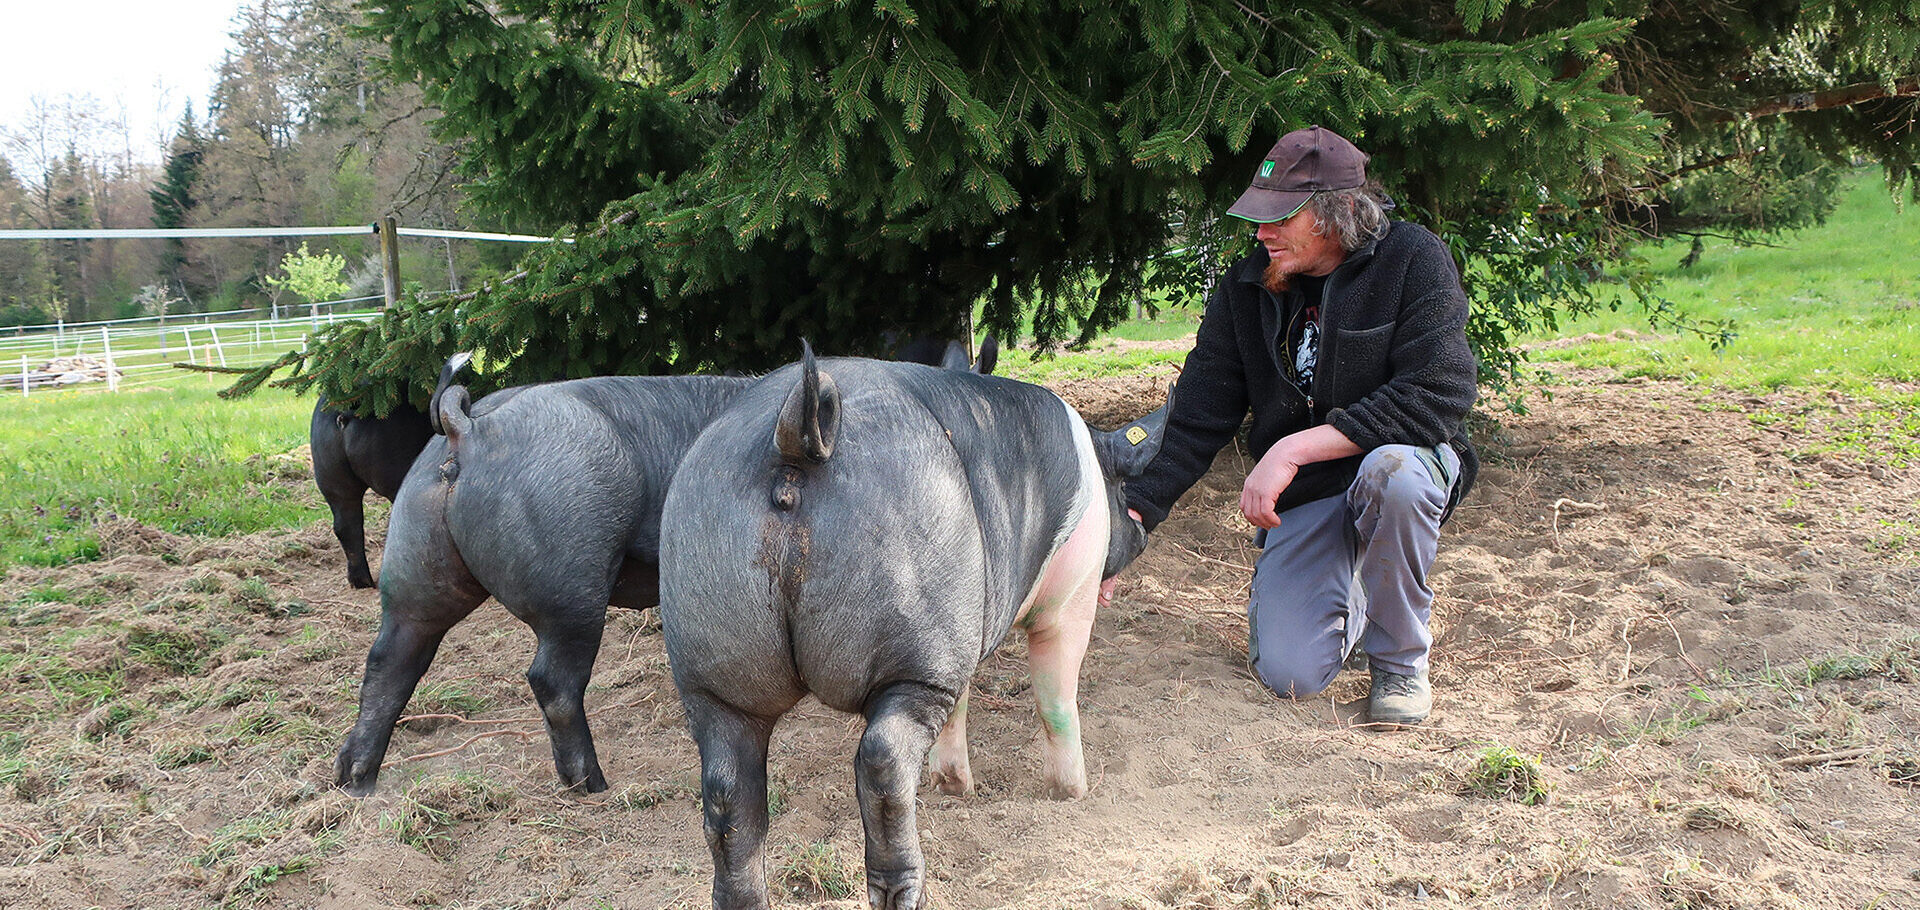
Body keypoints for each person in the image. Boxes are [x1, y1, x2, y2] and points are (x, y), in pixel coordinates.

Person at [1109, 125, 1479, 726]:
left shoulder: (1412, 258)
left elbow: (1438, 392)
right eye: (1259, 216)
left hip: (1394, 470)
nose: (1262, 233)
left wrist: (1294, 448)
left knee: (1399, 476)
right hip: (1310, 496)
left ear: (1336, 213)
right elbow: (1200, 412)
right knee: (1290, 674)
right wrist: (1134, 518)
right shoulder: (1248, 282)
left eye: (1282, 217)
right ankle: (1360, 589)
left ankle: (1399, 664)